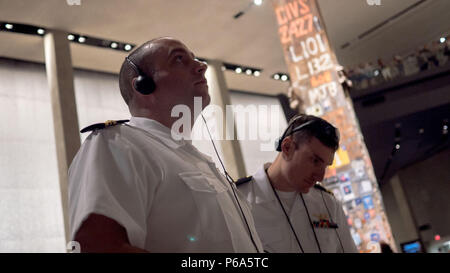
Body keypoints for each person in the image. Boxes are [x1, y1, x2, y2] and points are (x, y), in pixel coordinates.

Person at [68, 37, 263, 253]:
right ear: (143, 85)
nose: (202, 66)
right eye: (179, 59)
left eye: (195, 58)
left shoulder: (198, 160)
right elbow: (96, 246)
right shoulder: (117, 144)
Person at [236, 114, 358, 253]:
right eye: (315, 161)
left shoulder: (328, 204)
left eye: (325, 166)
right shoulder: (239, 202)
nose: (320, 176)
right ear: (287, 147)